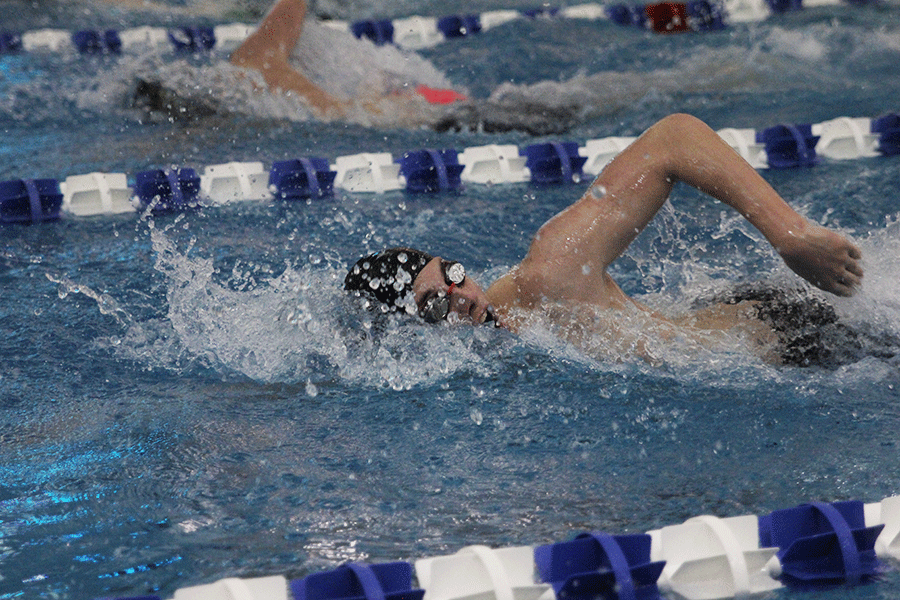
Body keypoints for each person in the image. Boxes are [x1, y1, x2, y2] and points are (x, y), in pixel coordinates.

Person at [344, 114, 865, 363]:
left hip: (799, 338)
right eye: (436, 307)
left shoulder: (550, 275)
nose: (462, 299)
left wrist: (790, 235)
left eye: (452, 277)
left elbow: (673, 139)